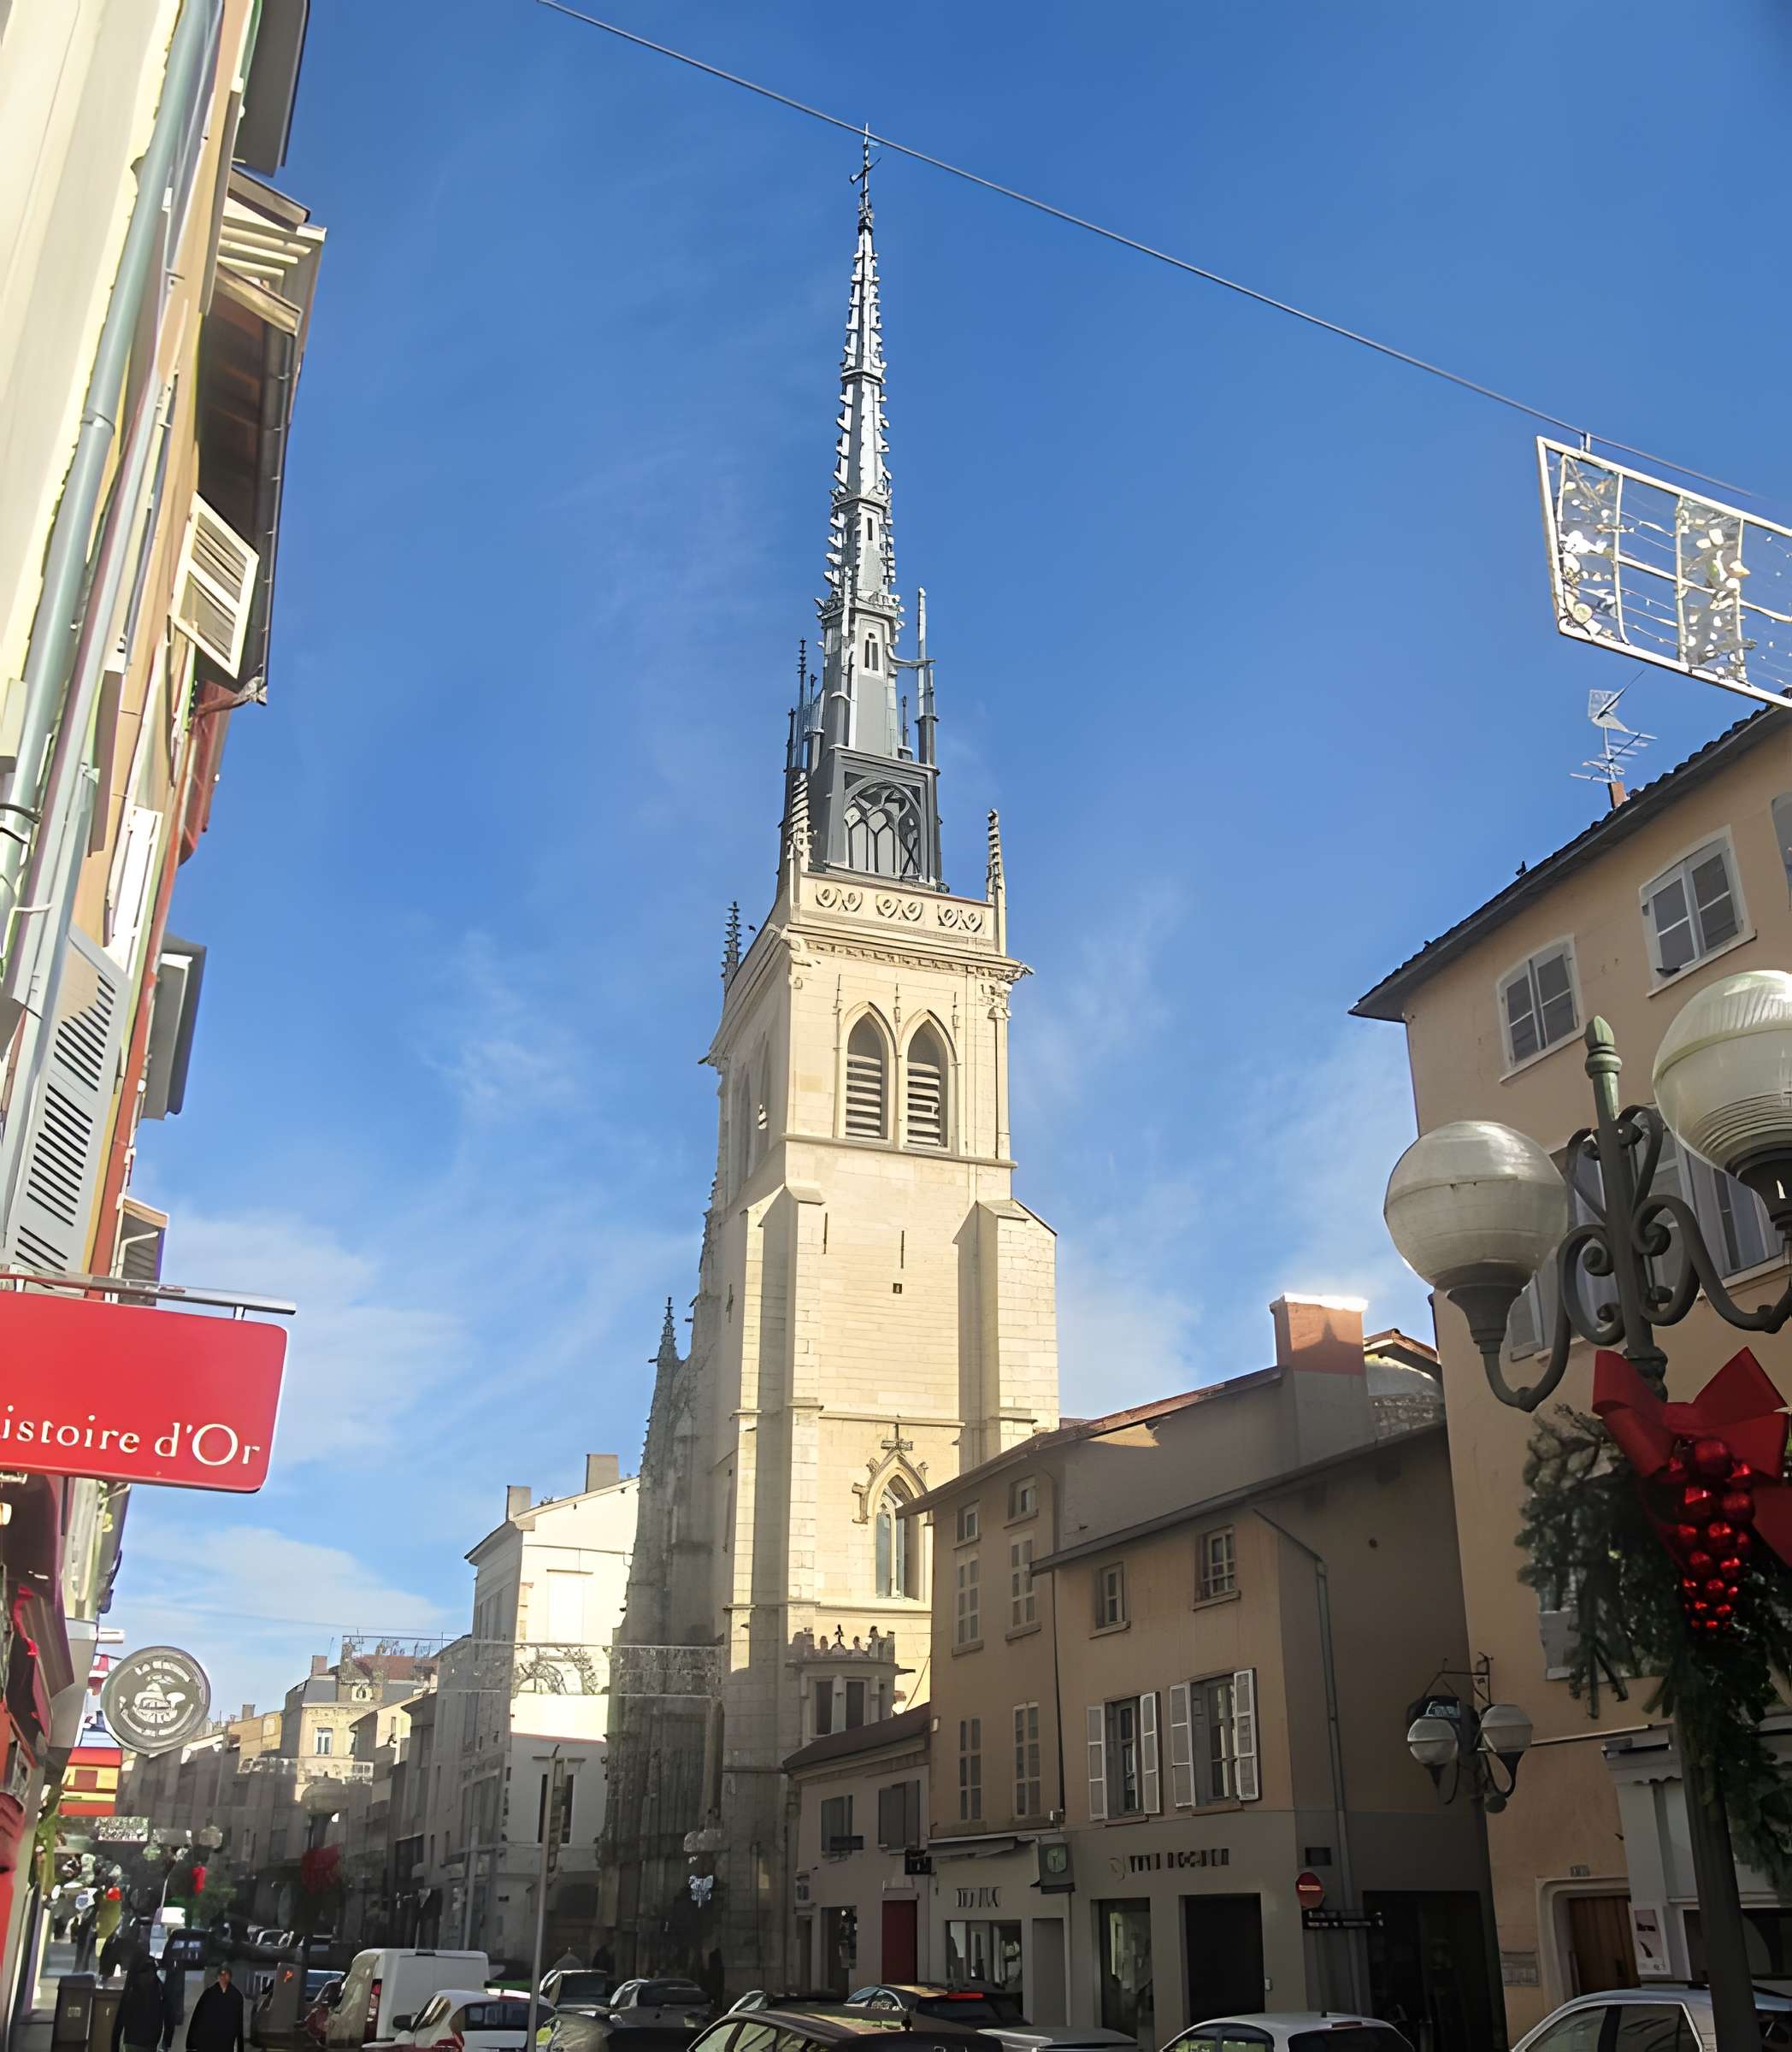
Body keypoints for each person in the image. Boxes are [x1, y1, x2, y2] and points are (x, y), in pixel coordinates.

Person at [111, 1952, 176, 2052]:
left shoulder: (132, 1987)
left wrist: (114, 2045)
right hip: (151, 2041)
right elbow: (169, 2017)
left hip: (132, 2040)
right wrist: (167, 2041)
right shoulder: (159, 1988)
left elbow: (120, 2019)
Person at [185, 1965, 247, 2052]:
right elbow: (197, 2018)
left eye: (225, 1975)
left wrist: (241, 2048)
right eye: (221, 1975)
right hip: (209, 2040)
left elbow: (239, 2023)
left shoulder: (236, 1996)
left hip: (224, 2041)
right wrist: (190, 2044)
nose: (223, 1977)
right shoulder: (209, 1994)